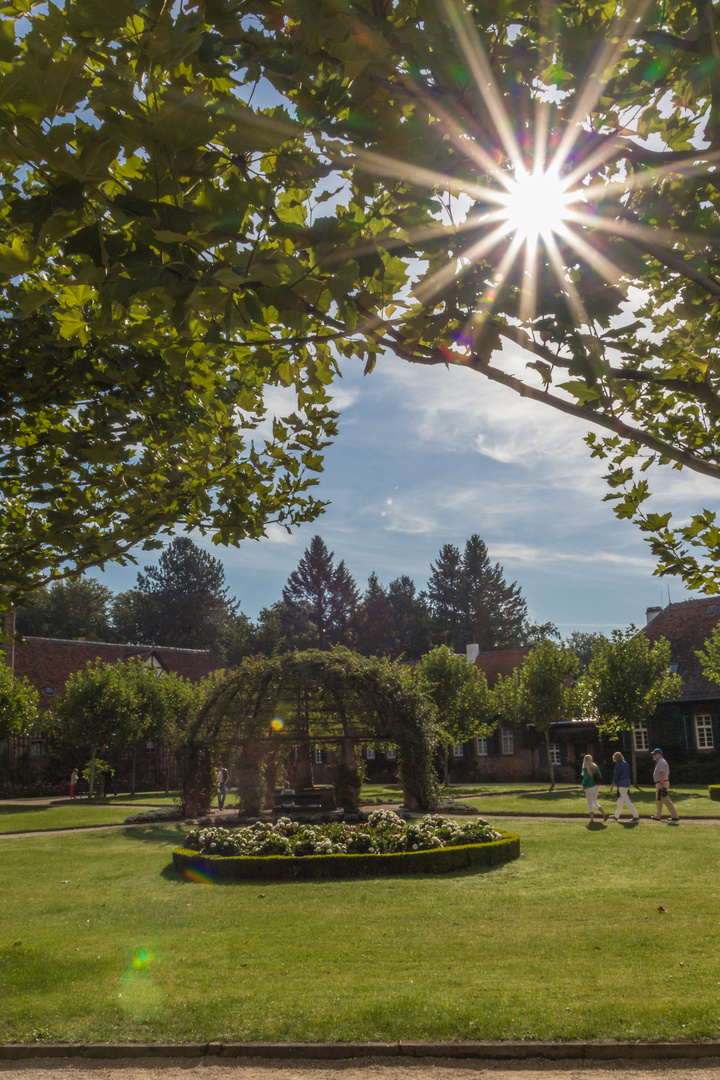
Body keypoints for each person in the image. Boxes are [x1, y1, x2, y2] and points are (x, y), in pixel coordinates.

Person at [608, 751, 639, 822]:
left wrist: (612, 786)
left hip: (621, 784)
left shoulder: (618, 765)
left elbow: (616, 777)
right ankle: (616, 816)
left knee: (626, 800)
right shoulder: (626, 764)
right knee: (620, 800)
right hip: (627, 783)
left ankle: (636, 815)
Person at [650, 748, 679, 822]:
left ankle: (674, 815)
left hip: (661, 783)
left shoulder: (661, 762)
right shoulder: (660, 762)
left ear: (659, 754)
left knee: (665, 799)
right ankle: (658, 815)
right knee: (659, 800)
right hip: (661, 783)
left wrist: (661, 784)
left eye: (655, 754)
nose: (653, 755)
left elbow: (662, 773)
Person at [581, 753, 608, 823]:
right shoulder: (595, 766)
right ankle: (604, 814)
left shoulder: (585, 768)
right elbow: (600, 776)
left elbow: (586, 778)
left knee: (590, 804)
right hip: (596, 786)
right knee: (595, 802)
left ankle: (592, 819)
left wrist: (583, 785)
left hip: (589, 787)